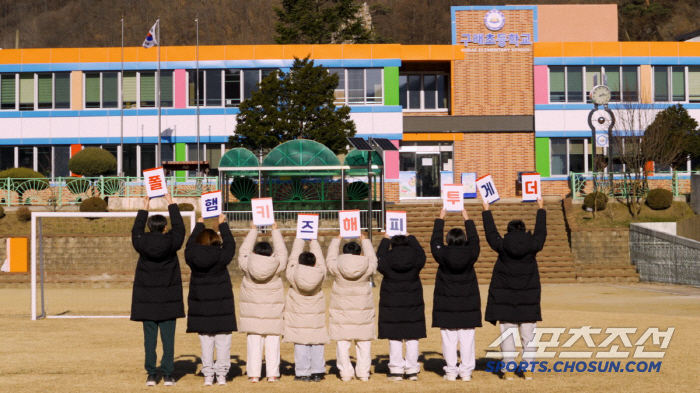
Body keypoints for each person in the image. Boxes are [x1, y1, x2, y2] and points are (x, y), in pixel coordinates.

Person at [482, 197, 546, 381]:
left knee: (507, 334)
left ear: (508, 231)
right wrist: (541, 209)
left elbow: (490, 233)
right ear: (525, 231)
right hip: (528, 299)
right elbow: (541, 232)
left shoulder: (502, 245)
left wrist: (486, 211)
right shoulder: (533, 245)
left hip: (505, 299)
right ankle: (528, 369)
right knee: (529, 336)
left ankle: (509, 369)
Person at [131, 194, 185, 387]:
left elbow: (136, 229)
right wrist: (172, 204)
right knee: (168, 340)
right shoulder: (171, 243)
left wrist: (144, 208)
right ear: (164, 228)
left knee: (150, 340)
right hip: (168, 299)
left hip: (147, 301)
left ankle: (152, 374)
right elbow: (180, 229)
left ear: (149, 227)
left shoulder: (141, 242)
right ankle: (169, 375)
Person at [184, 214, 237, 386]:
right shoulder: (221, 257)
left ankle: (208, 375)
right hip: (222, 306)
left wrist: (199, 226)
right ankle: (221, 375)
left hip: (201, 307)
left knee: (206, 342)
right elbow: (230, 245)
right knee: (223, 342)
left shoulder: (192, 257)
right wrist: (222, 225)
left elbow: (189, 246)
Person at [430, 209, 481, 382]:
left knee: (449, 340)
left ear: (448, 241)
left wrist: (440, 218)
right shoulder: (471, 254)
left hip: (446, 304)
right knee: (467, 340)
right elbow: (475, 241)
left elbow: (434, 241)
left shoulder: (442, 254)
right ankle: (466, 371)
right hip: (468, 303)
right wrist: (468, 219)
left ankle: (451, 371)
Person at [238, 221, 287, 383]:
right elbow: (283, 253)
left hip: (252, 314)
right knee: (273, 343)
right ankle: (272, 374)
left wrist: (253, 231)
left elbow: (243, 251)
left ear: (254, 252)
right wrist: (275, 231)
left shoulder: (247, 264)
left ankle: (254, 374)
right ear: (271, 253)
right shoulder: (277, 265)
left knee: (254, 344)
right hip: (272, 313)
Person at [326, 233, 377, 382]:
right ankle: (363, 372)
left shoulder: (336, 265)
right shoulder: (367, 265)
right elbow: (374, 259)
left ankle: (346, 373)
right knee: (364, 342)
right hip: (362, 309)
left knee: (342, 342)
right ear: (359, 252)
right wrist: (366, 241)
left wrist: (336, 240)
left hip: (342, 309)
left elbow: (330, 258)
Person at [376, 232, 427, 381]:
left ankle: (396, 369)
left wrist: (385, 240)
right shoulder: (415, 260)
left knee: (395, 336)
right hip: (412, 303)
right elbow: (421, 254)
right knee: (412, 336)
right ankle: (412, 369)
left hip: (392, 303)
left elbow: (378, 257)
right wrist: (412, 238)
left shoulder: (387, 261)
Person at [283, 237, 328, 382]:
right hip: (315, 314)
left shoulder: (292, 274)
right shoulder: (320, 273)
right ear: (315, 263)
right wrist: (313, 241)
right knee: (316, 341)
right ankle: (317, 371)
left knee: (300, 342)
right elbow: (321, 261)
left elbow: (291, 260)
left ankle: (303, 372)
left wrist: (298, 240)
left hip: (298, 315)